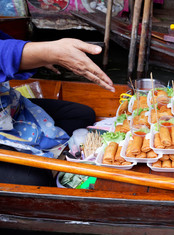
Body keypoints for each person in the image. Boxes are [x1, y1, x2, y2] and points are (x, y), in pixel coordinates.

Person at [0, 30, 115, 186]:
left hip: (8, 108)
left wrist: (34, 54)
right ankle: (42, 159)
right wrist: (48, 52)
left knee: (82, 115)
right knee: (38, 181)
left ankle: (49, 152)